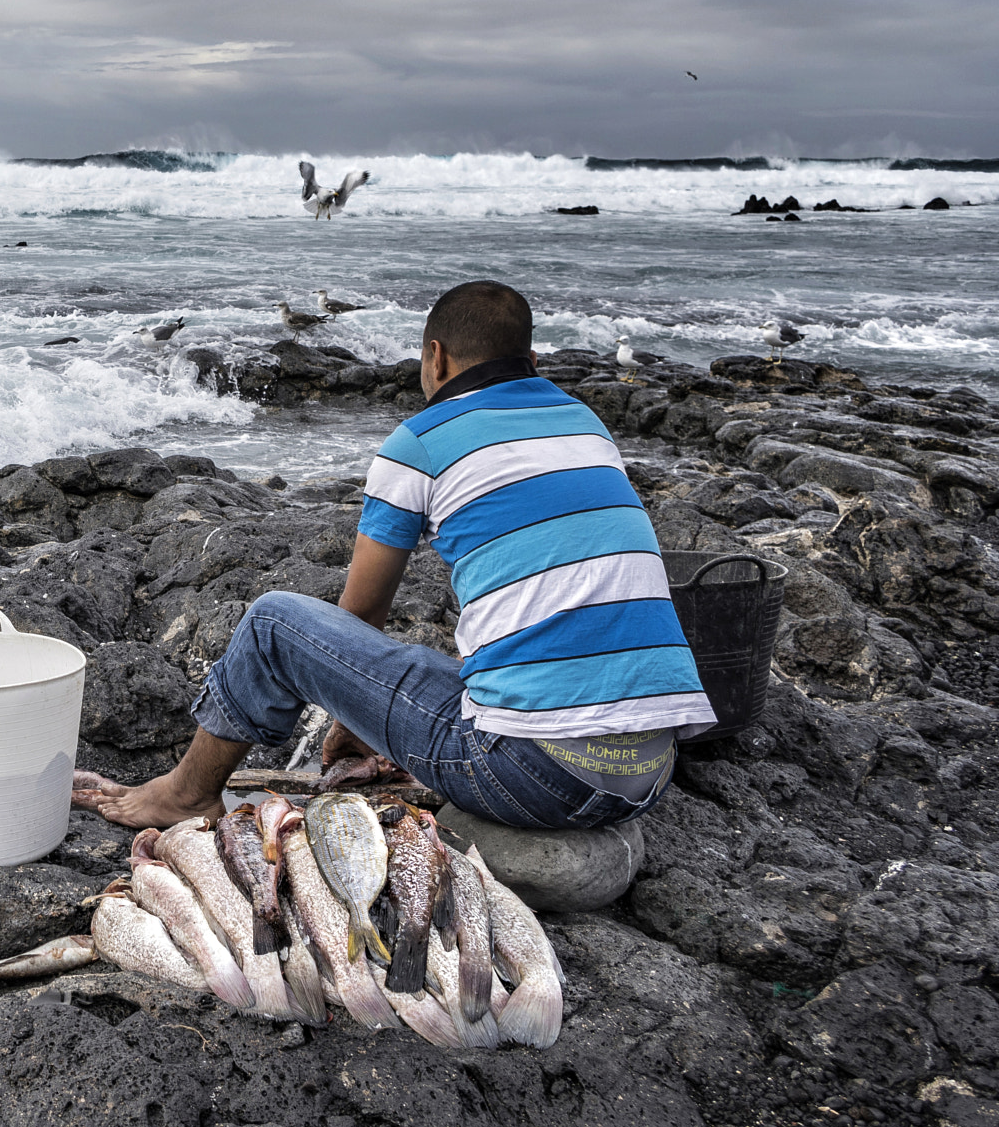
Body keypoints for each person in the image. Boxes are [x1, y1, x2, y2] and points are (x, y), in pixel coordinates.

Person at [84, 280, 715, 831]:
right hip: (647, 775)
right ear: (531, 358)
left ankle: (187, 794)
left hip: (532, 776)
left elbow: (359, 620)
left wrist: (354, 710)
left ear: (435, 357)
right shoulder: (583, 422)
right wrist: (366, 715)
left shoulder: (419, 440)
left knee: (274, 622)